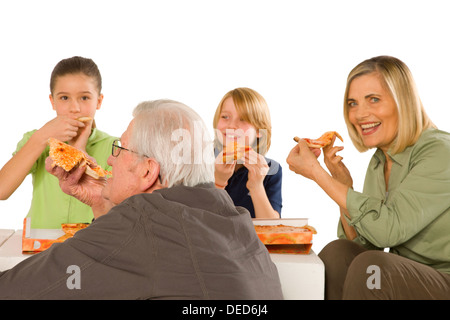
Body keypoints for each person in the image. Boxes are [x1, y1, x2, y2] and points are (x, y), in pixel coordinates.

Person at [0, 99, 283, 300]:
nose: (109, 159)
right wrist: (102, 203)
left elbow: (16, 289)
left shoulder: (144, 219)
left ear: (148, 170)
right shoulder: (230, 214)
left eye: (119, 149)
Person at [286, 56, 450, 299]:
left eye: (373, 99)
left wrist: (317, 174)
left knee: (372, 268)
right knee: (337, 253)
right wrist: (342, 184)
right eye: (352, 103)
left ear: (402, 102)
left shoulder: (440, 152)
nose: (359, 114)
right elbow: (365, 244)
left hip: (442, 278)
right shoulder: (380, 160)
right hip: (403, 272)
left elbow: (388, 231)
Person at [0, 56, 117, 228]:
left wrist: (78, 150)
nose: (74, 108)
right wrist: (41, 138)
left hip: (90, 244)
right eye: (64, 98)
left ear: (98, 101)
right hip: (40, 244)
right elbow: (2, 190)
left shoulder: (114, 147)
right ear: (52, 101)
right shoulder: (36, 139)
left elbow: (116, 212)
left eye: (84, 98)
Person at [213, 87, 282, 219]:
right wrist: (218, 182)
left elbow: (272, 230)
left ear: (259, 130)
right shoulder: (197, 163)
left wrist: (256, 186)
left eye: (243, 119)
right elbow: (195, 223)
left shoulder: (270, 169)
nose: (231, 125)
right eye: (225, 117)